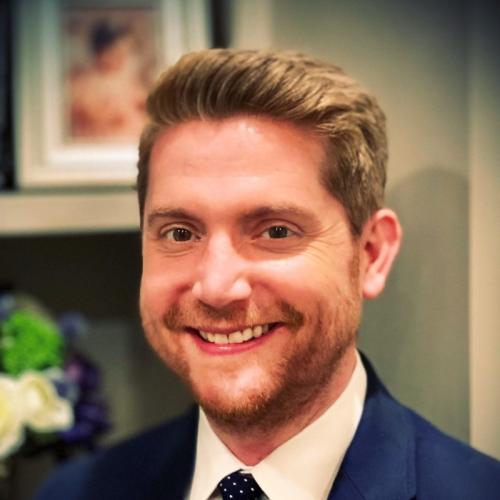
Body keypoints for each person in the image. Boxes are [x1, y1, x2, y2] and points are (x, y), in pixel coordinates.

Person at [37, 49, 500, 500]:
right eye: (180, 234)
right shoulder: (73, 493)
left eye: (276, 231)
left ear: (372, 255)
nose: (217, 287)